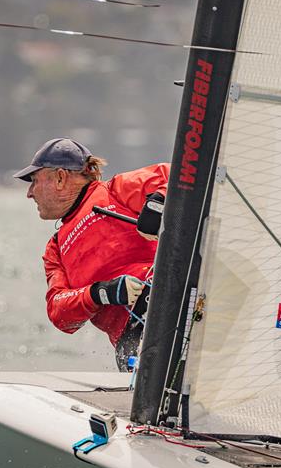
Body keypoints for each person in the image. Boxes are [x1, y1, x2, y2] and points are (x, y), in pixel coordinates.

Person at [14, 138, 169, 371]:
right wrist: (99, 293)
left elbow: (180, 176)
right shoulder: (55, 249)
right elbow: (60, 314)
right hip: (132, 344)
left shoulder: (116, 191)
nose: (29, 193)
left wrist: (158, 202)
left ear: (60, 177)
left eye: (34, 181)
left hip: (165, 300)